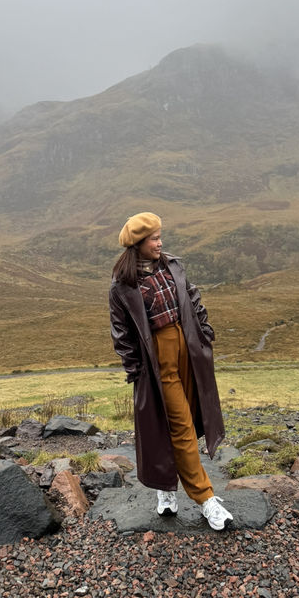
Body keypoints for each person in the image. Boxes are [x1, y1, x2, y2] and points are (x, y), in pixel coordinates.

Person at [109, 211, 233, 530]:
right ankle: (205, 499)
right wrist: (137, 372)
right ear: (138, 244)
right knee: (180, 427)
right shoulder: (123, 285)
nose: (160, 243)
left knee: (189, 419)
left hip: (187, 347)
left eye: (160, 236)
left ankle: (166, 487)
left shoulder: (172, 265)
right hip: (159, 359)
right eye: (154, 238)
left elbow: (192, 297)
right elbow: (121, 334)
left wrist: (203, 330)